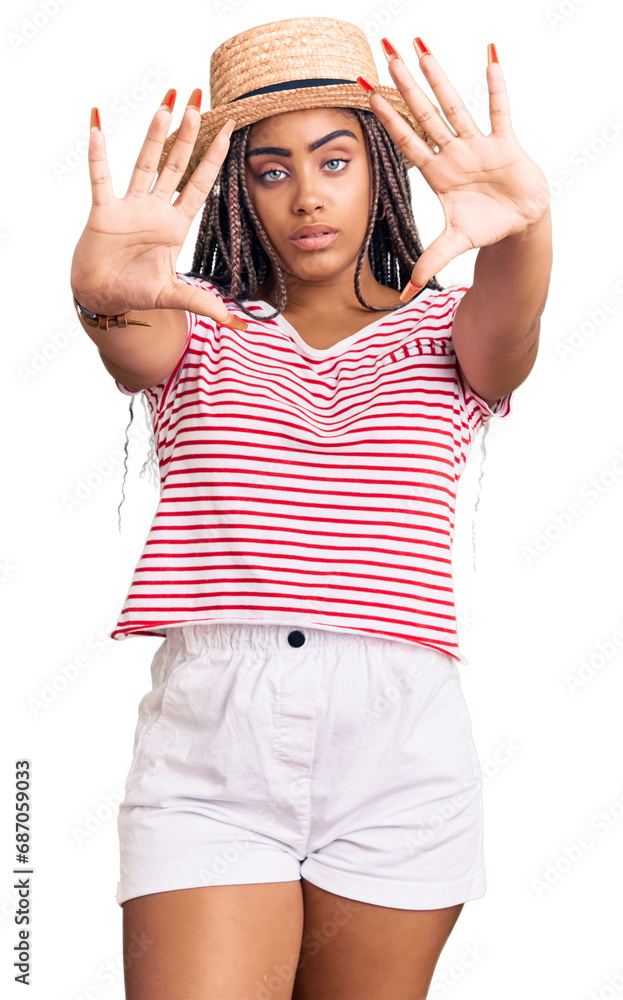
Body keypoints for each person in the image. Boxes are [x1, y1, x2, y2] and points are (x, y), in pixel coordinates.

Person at [70, 15, 552, 1000]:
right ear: (236, 188)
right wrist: (103, 301)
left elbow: (509, 322)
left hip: (400, 747)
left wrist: (526, 226)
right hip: (213, 749)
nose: (306, 193)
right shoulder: (196, 322)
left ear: (379, 165)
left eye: (333, 158)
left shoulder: (446, 329)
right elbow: (133, 343)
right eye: (269, 169)